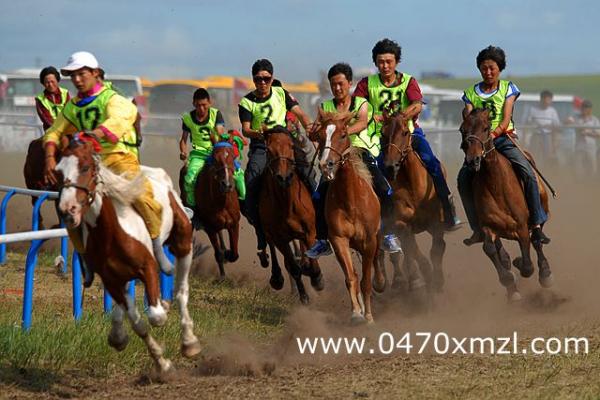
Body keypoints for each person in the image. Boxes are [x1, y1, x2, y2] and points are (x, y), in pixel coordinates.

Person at [42, 51, 171, 285]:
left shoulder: (111, 98)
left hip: (117, 158)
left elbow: (125, 115)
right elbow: (55, 130)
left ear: (95, 73)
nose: (78, 80)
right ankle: (84, 259)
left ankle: (156, 246)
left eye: (82, 74)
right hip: (86, 164)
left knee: (143, 195)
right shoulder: (73, 107)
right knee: (65, 205)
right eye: (73, 76)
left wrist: (97, 134)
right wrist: (50, 156)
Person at [353, 38, 462, 236]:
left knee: (433, 163)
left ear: (396, 62)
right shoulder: (366, 84)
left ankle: (447, 209)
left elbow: (418, 104)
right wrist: (372, 116)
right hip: (377, 137)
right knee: (370, 171)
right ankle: (375, 217)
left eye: (389, 61)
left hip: (407, 133)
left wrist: (402, 116)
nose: (385, 66)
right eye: (381, 62)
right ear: (376, 63)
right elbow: (356, 107)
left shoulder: (408, 81)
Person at [458, 45, 550, 245]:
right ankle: (477, 228)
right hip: (479, 143)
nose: (488, 72)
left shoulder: (508, 88)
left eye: (492, 68)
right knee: (463, 178)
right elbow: (469, 117)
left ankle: (536, 222)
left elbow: (506, 117)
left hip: (503, 139)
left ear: (499, 69)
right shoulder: (471, 93)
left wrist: (493, 134)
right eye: (484, 68)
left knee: (526, 171)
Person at [306, 62, 398, 258]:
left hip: (360, 152)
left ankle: (388, 234)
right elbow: (317, 131)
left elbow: (363, 122)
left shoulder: (361, 104)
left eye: (341, 84)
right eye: (333, 85)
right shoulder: (325, 107)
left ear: (350, 83)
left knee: (386, 190)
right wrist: (313, 134)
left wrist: (342, 131)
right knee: (317, 196)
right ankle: (322, 240)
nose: (337, 88)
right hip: (333, 157)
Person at [238, 58, 314, 257]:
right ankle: (260, 231)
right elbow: (245, 130)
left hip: (286, 142)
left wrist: (308, 126)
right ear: (253, 80)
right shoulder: (246, 102)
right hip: (262, 147)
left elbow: (299, 113)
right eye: (258, 79)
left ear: (272, 79)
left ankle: (319, 224)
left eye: (266, 78)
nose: (262, 83)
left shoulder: (281, 93)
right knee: (251, 178)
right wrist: (260, 133)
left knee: (309, 171)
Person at [179, 88, 246, 209]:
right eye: (198, 105)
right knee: (189, 178)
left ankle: (243, 203)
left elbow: (220, 131)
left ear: (210, 103)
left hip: (216, 152)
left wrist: (221, 136)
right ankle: (192, 209)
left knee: (238, 175)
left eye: (204, 105)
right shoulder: (187, 118)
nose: (201, 109)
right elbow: (183, 139)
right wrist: (183, 152)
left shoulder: (216, 114)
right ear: (194, 103)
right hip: (197, 154)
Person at [567, 99, 600, 175]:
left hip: (591, 146)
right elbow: (567, 121)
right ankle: (579, 181)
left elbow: (599, 134)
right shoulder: (576, 117)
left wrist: (588, 133)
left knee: (592, 166)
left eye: (586, 107)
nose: (584, 109)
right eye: (583, 107)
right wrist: (568, 121)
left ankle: (590, 181)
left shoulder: (594, 120)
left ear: (590, 109)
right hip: (579, 146)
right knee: (578, 166)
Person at [523, 90, 560, 155]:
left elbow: (557, 125)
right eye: (546, 99)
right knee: (535, 154)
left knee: (547, 155)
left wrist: (550, 126)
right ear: (541, 99)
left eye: (549, 99)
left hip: (548, 136)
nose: (547, 102)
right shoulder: (533, 109)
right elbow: (527, 124)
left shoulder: (552, 111)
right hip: (536, 136)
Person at [35, 66, 70, 131]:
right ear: (43, 83)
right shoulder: (40, 99)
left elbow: (69, 113)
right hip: (51, 132)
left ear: (57, 80)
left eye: (52, 81)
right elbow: (46, 120)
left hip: (67, 130)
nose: (50, 85)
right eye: (47, 82)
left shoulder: (65, 93)